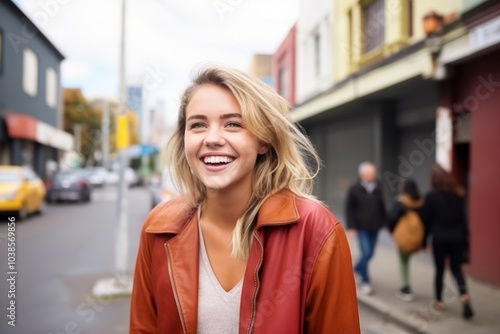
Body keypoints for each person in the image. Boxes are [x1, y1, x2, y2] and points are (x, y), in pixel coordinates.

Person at [130, 66, 360, 333]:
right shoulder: (159, 227)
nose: (212, 139)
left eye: (233, 124)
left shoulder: (317, 231)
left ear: (263, 141)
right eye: (198, 125)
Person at [421, 164, 474, 319]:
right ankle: (464, 295)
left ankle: (439, 301)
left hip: (439, 238)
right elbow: (463, 219)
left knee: (439, 270)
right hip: (457, 237)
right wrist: (466, 240)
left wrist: (424, 242)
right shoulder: (458, 194)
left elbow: (426, 221)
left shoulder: (431, 196)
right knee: (457, 270)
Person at [345, 161, 387, 295]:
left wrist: (385, 222)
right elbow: (349, 209)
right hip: (361, 226)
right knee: (366, 253)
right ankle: (365, 281)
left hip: (375, 226)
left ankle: (357, 268)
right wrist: (351, 227)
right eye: (370, 173)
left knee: (371, 253)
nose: (373, 175)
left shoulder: (378, 187)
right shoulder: (354, 188)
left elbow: (382, 206)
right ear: (362, 174)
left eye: (373, 173)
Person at [387, 178, 425, 301]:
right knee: (407, 260)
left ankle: (406, 288)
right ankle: (406, 286)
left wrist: (391, 232)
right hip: (416, 238)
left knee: (403, 262)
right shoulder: (420, 202)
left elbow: (391, 218)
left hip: (404, 238)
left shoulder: (400, 202)